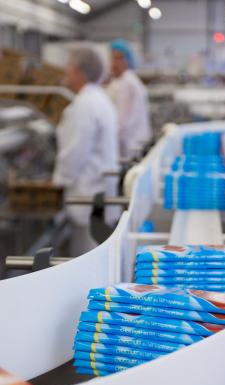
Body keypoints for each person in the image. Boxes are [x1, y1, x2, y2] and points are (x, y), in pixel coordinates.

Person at [53, 46, 120, 255]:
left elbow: (75, 153)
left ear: (80, 72)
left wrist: (59, 180)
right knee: (96, 253)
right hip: (98, 190)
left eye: (69, 67)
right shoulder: (99, 99)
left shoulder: (84, 105)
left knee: (86, 256)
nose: (66, 72)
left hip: (88, 193)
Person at [105, 39, 152, 162]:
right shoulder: (120, 81)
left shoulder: (127, 83)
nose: (113, 63)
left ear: (128, 60)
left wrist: (106, 144)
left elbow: (122, 122)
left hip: (129, 148)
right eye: (112, 58)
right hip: (127, 145)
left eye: (118, 58)